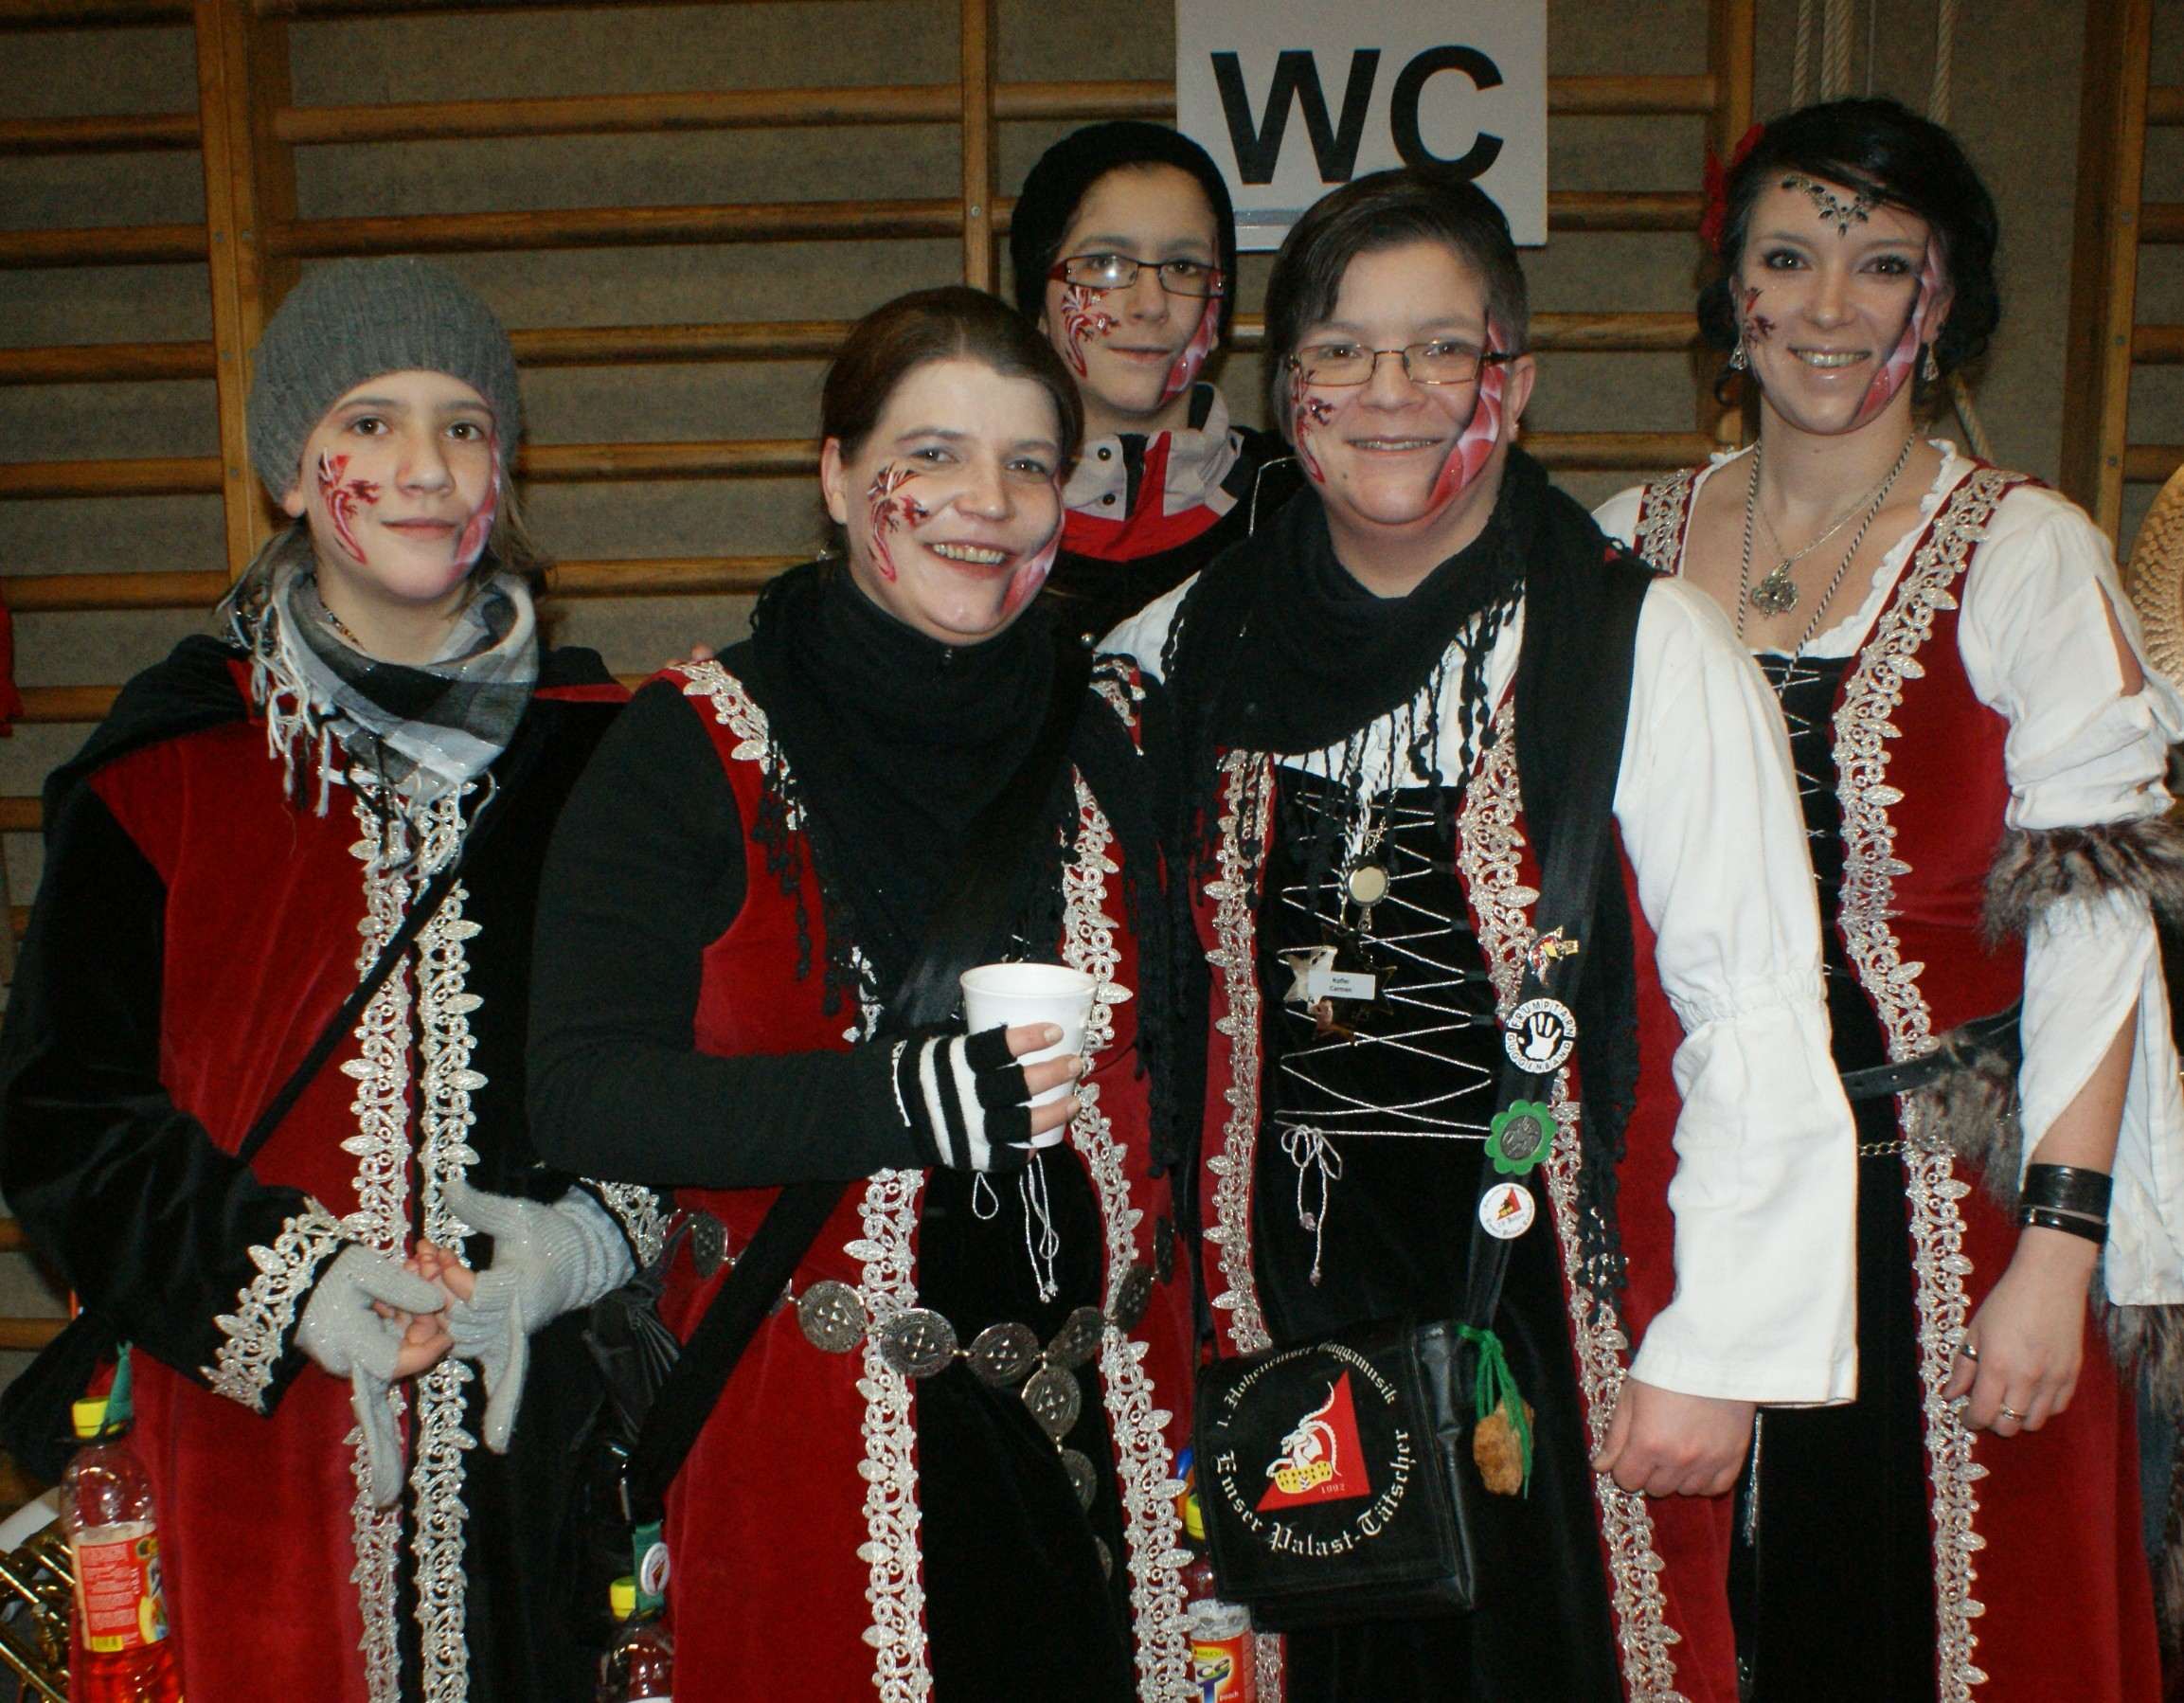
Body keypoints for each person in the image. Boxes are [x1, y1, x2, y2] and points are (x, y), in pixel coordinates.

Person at [1105, 167, 1857, 1703]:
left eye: (1440, 348)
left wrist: (1716, 1349)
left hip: (1559, 1332)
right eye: (1340, 349)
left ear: (1508, 382)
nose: (1389, 392)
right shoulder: (1175, 649)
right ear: (1286, 386)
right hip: (1268, 1308)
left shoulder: (1642, 645)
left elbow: (1756, 1008)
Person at [526, 286, 1199, 1701]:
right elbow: (582, 1091)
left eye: (1028, 462)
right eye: (931, 454)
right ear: (837, 477)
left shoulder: (1116, 733)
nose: (987, 501)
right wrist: (896, 1095)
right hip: (811, 1462)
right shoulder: (692, 742)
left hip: (1108, 1451)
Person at [0, 259, 656, 1703]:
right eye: (369, 422)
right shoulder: (167, 768)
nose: (423, 467)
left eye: (464, 426)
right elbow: (61, 1110)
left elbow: (692, 1068)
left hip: (534, 1442)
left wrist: (581, 1242)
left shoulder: (611, 763)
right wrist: (289, 1280)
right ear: (292, 473)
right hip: (251, 1441)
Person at [1597, 98, 2184, 1703]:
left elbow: (2092, 925)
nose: (1831, 306)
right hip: (1690, 1192)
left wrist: (2055, 1253)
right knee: (1695, 1622)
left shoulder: (2025, 552)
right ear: (1733, 290)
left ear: (1945, 297)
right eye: (1788, 257)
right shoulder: (1620, 547)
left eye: (1881, 264)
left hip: (1947, 1204)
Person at [1011, 120, 1294, 643]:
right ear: (1039, 308)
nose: (1149, 304)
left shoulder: (1299, 504)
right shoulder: (979, 514)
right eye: (1104, 263)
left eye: (1183, 266)